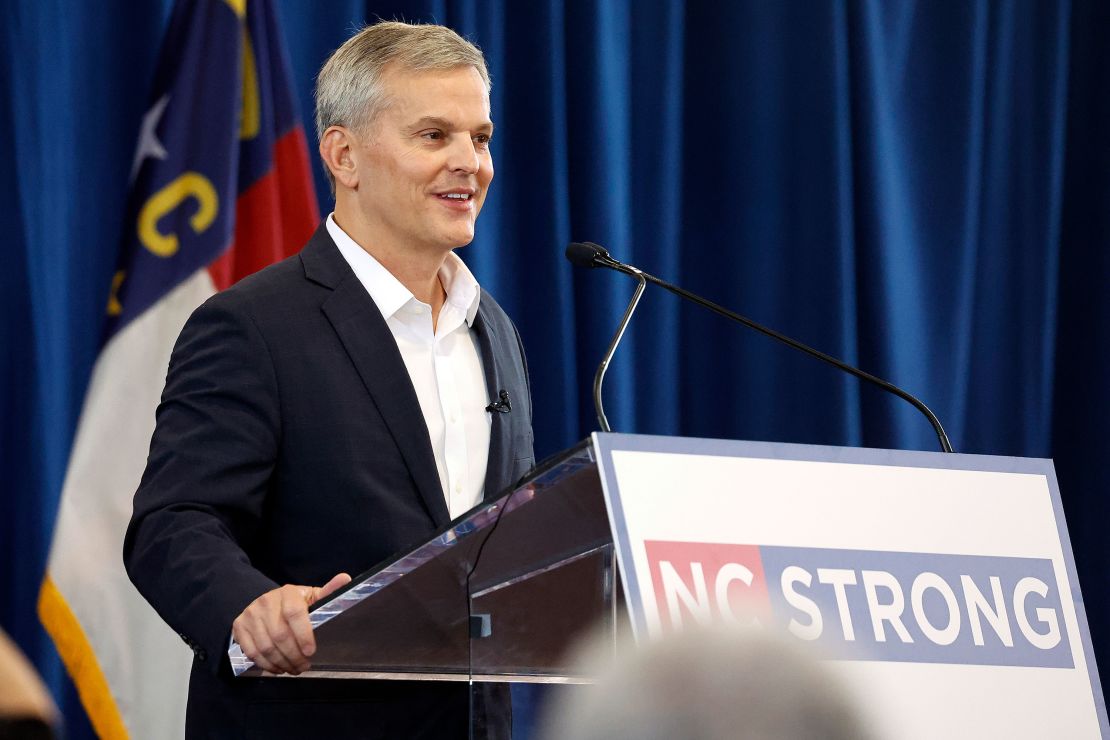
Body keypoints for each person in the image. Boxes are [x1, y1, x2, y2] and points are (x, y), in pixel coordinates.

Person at [124, 21, 533, 739]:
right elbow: (171, 524)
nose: (470, 162)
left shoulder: (493, 330)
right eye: (435, 136)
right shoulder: (253, 325)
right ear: (344, 155)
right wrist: (249, 605)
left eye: (481, 137)